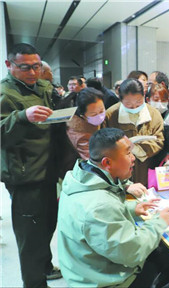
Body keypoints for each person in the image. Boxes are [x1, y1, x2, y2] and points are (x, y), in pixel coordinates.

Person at [57, 128, 169, 287]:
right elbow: (133, 252)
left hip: (81, 270)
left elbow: (93, 222)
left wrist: (131, 209)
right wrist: (159, 222)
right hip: (103, 281)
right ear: (107, 162)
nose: (133, 158)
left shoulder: (77, 180)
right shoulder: (100, 205)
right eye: (128, 153)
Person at [1, 43, 61, 287]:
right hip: (25, 177)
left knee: (48, 225)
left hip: (48, 171)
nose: (32, 72)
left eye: (36, 66)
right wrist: (22, 117)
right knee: (30, 239)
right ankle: (34, 282)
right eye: (24, 67)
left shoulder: (43, 87)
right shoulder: (6, 94)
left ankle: (45, 266)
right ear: (9, 65)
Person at [105, 78, 164, 187]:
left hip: (146, 169)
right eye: (128, 104)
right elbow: (104, 145)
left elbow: (159, 141)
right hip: (120, 174)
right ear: (120, 99)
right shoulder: (110, 115)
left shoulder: (154, 114)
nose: (134, 107)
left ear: (144, 95)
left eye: (138, 103)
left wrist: (135, 148)